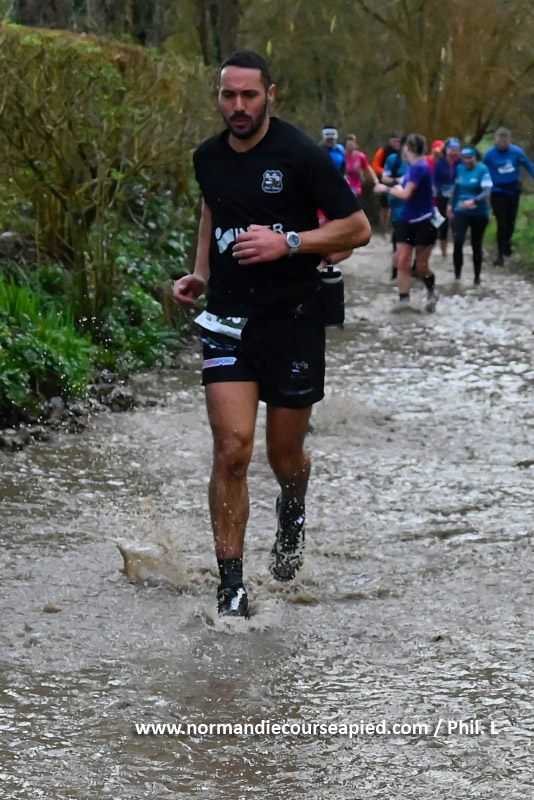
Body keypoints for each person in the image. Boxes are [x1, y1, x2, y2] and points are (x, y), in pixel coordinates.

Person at [173, 50, 371, 617]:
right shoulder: (207, 157)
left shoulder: (301, 155)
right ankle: (231, 586)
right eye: (228, 95)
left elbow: (357, 229)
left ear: (269, 95)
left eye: (249, 95)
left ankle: (293, 508)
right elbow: (213, 213)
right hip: (229, 319)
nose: (237, 106)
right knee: (232, 449)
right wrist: (201, 274)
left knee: (285, 457)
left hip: (294, 319)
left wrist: (289, 243)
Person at [374, 133, 438, 311]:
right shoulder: (410, 167)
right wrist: (396, 187)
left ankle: (431, 291)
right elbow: (405, 187)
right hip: (406, 219)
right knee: (402, 261)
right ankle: (404, 301)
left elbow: (406, 194)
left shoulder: (420, 167)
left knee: (421, 267)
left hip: (425, 221)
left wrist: (385, 189)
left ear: (407, 148)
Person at [483, 127, 534, 266]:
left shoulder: (516, 152)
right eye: (500, 141)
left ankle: (506, 243)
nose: (503, 143)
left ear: (509, 140)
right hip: (497, 192)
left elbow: (529, 165)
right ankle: (500, 255)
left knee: (511, 221)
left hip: (513, 191)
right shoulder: (490, 154)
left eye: (505, 141)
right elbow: (482, 170)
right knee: (502, 222)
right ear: (496, 140)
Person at [447, 146, 492, 285]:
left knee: (476, 244)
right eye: (464, 158)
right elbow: (456, 188)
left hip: (479, 212)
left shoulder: (483, 169)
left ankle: (477, 277)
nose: (467, 161)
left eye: (470, 158)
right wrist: (450, 204)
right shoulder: (460, 168)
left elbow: (487, 191)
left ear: (475, 157)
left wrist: (474, 201)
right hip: (461, 210)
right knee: (458, 241)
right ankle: (457, 277)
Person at [381, 139, 408, 280]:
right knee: (398, 242)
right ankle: (394, 274)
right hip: (398, 205)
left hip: (416, 206)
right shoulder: (393, 159)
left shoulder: (420, 163)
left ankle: (413, 270)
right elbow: (384, 179)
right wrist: (397, 180)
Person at [433, 137, 461, 257]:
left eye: (456, 150)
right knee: (443, 224)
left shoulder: (461, 163)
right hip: (442, 196)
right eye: (451, 149)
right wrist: (435, 194)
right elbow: (435, 180)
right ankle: (443, 251)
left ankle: (457, 248)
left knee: (456, 223)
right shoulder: (440, 163)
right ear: (446, 150)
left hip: (457, 197)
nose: (453, 152)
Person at [371, 131, 403, 231]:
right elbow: (375, 165)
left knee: (397, 205)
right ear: (390, 140)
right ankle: (383, 227)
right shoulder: (383, 151)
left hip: (399, 181)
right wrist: (386, 172)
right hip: (385, 181)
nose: (397, 143)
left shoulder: (404, 152)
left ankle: (395, 226)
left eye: (399, 141)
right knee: (385, 206)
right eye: (395, 141)